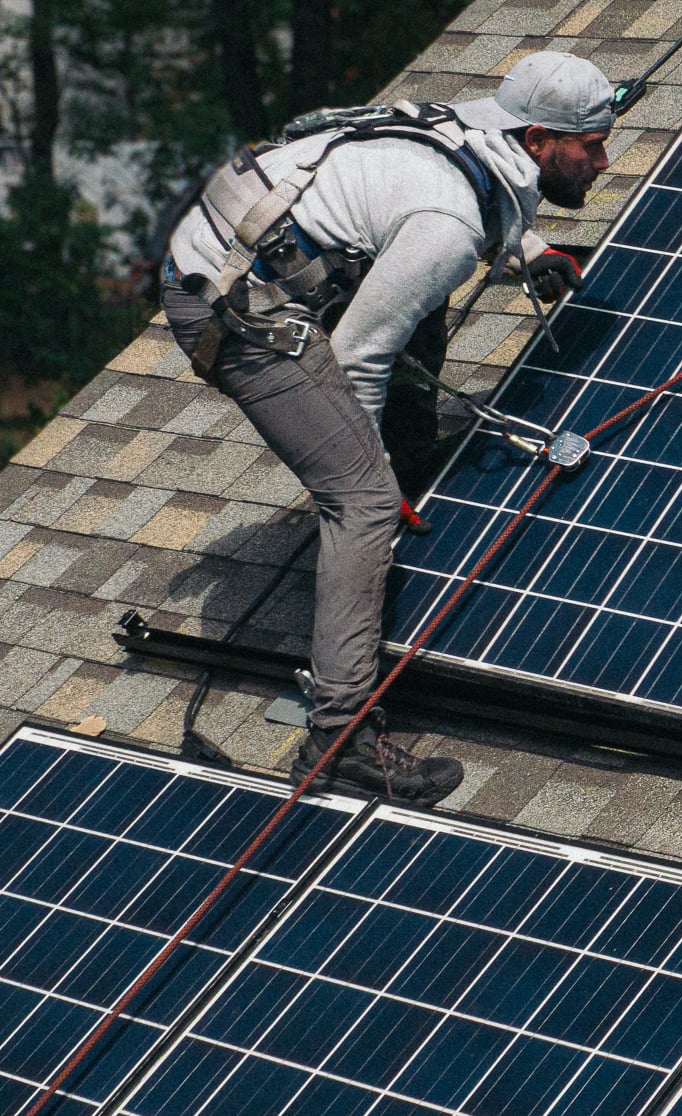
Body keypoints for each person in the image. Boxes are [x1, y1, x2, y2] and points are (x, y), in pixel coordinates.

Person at [161, 50, 614, 805]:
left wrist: (528, 250)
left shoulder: (477, 137)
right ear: (536, 139)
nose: (603, 162)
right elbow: (358, 355)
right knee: (363, 501)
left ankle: (407, 462)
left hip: (268, 244)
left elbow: (462, 197)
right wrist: (372, 471)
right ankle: (339, 741)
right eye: (590, 147)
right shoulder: (447, 223)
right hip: (232, 301)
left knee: (421, 299)